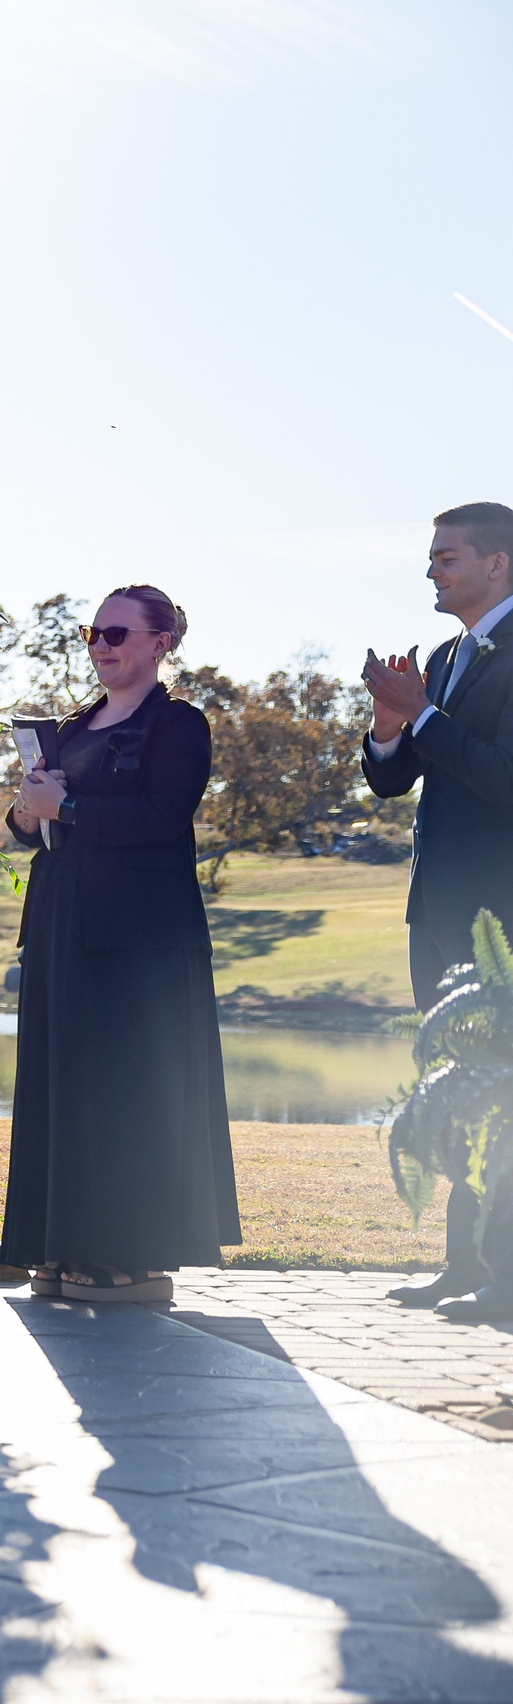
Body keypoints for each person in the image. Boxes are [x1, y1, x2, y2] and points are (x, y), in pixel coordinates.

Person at [0, 586, 240, 1303]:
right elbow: (29, 826)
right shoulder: (73, 727)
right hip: (62, 926)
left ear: (161, 641)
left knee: (125, 1092)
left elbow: (164, 818)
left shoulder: (179, 726)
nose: (102, 645)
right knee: (64, 1086)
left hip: (140, 940)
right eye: (92, 633)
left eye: (117, 632)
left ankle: (130, 1261)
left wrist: (66, 805)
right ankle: (62, 1243)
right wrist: (24, 807)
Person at [364, 501, 513, 1321]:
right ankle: (465, 1265)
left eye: (446, 557)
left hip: (501, 918)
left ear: (497, 563)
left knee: (503, 1087)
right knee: (459, 1087)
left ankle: (504, 1275)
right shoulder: (452, 655)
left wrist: (423, 713)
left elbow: (503, 773)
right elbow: (396, 780)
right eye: (431, 556)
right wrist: (392, 726)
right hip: (437, 912)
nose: (431, 569)